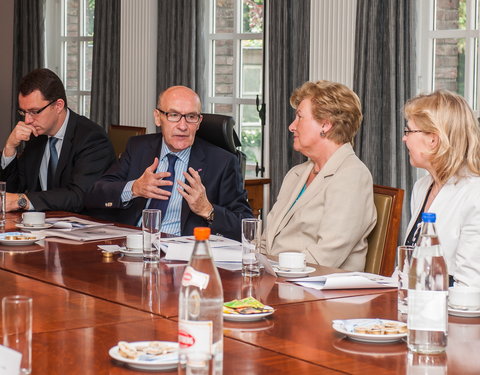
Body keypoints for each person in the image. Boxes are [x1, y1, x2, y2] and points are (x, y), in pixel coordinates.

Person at [85, 85, 252, 241]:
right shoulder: (138, 148)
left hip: (183, 255)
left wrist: (207, 210)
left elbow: (245, 226)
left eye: (191, 117)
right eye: (173, 115)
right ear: (158, 117)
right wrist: (134, 188)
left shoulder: (222, 162)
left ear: (199, 122)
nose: (183, 126)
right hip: (133, 245)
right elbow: (96, 194)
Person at [262, 80, 376, 271]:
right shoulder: (296, 174)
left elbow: (325, 256)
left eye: (299, 117)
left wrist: (272, 273)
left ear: (325, 124)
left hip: (320, 291)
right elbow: (266, 239)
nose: (292, 126)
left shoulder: (352, 176)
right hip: (279, 281)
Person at [0, 68, 115, 212]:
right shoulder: (36, 135)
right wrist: (10, 148)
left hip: (83, 226)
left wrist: (23, 201)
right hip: (42, 225)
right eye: (24, 112)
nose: (27, 120)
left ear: (58, 106)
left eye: (34, 112)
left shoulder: (91, 138)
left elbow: (79, 196)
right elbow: (12, 193)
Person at [403, 90, 480, 287]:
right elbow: (409, 266)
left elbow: (470, 285)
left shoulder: (474, 194)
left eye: (409, 131)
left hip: (453, 312)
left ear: (433, 140)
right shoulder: (422, 187)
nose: (404, 139)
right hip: (415, 304)